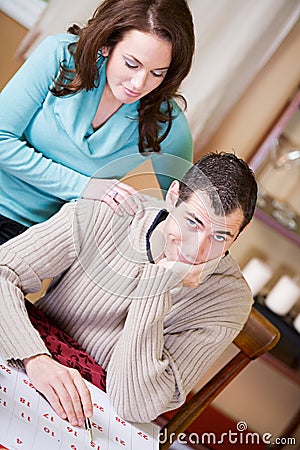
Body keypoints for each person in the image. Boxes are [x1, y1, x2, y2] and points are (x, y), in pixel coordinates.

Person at [0, 152, 257, 426]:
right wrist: (36, 360)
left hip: (100, 418)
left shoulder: (230, 299)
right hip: (30, 364)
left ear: (240, 233)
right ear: (173, 197)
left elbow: (135, 406)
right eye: (193, 223)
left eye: (220, 236)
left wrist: (158, 286)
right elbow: (3, 270)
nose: (197, 250)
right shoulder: (108, 211)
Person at [0, 0, 195, 244]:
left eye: (158, 73)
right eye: (131, 64)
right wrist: (85, 187)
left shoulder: (169, 125)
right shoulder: (60, 55)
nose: (139, 84)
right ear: (106, 45)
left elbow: (183, 209)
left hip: (32, 238)